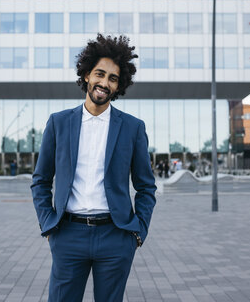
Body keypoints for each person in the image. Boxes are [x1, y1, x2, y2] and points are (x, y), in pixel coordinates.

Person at [31, 34, 157, 302]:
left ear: (118, 85)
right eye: (100, 74)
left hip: (115, 236)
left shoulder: (133, 128)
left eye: (113, 78)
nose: (104, 83)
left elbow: (146, 186)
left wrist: (138, 231)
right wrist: (48, 223)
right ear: (87, 74)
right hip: (68, 235)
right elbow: (40, 180)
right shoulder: (58, 123)